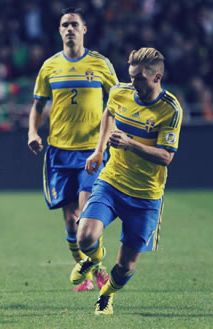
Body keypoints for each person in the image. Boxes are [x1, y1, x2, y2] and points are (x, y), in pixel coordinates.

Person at [69, 47, 183, 315]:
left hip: (145, 195)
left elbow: (166, 157)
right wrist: (99, 151)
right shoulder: (121, 92)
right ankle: (95, 258)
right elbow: (109, 112)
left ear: (157, 77)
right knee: (84, 237)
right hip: (112, 182)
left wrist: (130, 144)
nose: (133, 83)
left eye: (140, 78)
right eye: (131, 76)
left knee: (126, 267)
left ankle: (106, 295)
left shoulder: (170, 110)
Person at [28, 7, 119, 292]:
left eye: (74, 24)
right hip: (59, 152)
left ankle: (95, 268)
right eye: (64, 24)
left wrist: (110, 136)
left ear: (84, 30)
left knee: (84, 216)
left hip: (92, 152)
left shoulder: (100, 63)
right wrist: (32, 131)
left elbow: (117, 100)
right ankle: (92, 270)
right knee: (70, 220)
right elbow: (38, 105)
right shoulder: (50, 67)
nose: (69, 28)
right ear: (59, 30)